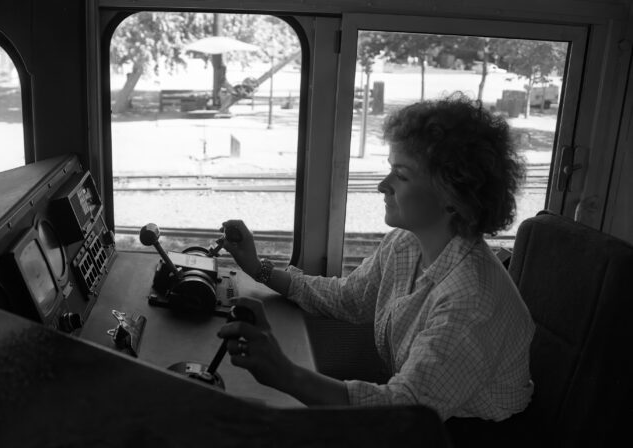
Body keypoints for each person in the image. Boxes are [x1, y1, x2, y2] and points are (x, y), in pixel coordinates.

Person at [218, 94, 535, 421]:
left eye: (402, 175)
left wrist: (285, 373)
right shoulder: (405, 244)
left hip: (469, 435)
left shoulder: (471, 300)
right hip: (421, 417)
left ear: (453, 196)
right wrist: (258, 269)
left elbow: (406, 412)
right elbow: (348, 298)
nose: (383, 185)